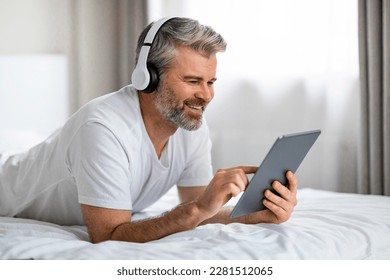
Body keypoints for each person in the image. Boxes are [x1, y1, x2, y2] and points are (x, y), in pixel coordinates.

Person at [0, 17, 297, 243]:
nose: (206, 96)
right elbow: (108, 235)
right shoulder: (102, 128)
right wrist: (196, 210)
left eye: (211, 82)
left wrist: (254, 216)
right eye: (193, 81)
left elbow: (199, 210)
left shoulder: (190, 125)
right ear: (147, 77)